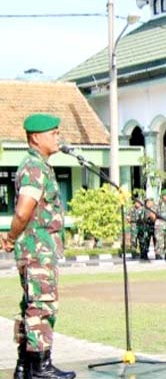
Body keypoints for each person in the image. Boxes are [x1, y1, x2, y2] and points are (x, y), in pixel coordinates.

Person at [3, 113, 76, 379]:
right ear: (36, 137)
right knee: (41, 307)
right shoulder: (34, 167)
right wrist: (10, 238)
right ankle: (40, 367)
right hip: (37, 250)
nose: (58, 137)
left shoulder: (38, 165)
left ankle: (25, 366)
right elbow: (23, 212)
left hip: (37, 250)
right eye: (53, 133)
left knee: (31, 306)